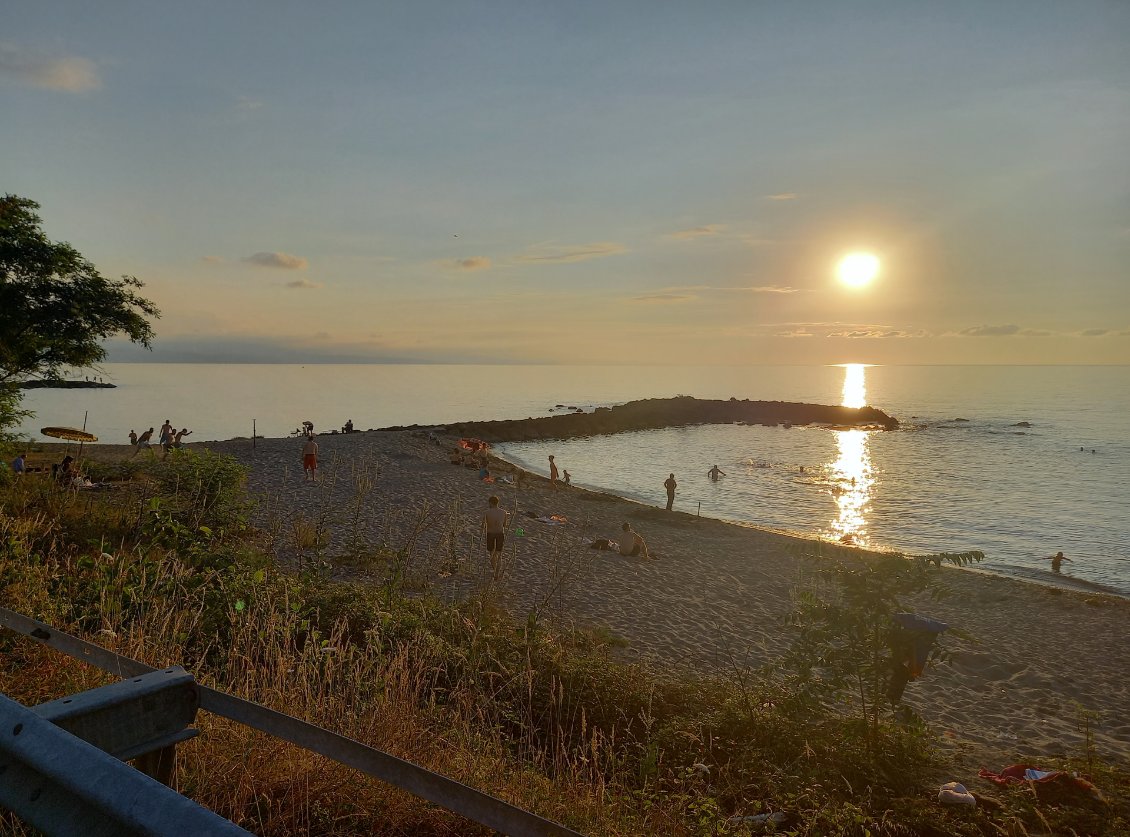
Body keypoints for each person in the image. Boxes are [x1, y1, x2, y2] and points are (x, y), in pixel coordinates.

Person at [483, 495, 509, 579]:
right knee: (499, 554)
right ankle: (497, 573)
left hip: (490, 533)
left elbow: (483, 525)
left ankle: (495, 571)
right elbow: (505, 525)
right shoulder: (504, 512)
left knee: (492, 554)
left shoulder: (487, 512)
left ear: (490, 503)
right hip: (500, 533)